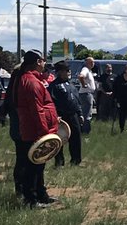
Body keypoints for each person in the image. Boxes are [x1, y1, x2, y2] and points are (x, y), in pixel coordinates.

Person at [11, 51, 59, 208]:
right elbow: (36, 110)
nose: (45, 64)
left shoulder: (32, 79)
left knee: (40, 165)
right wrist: (44, 133)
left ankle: (41, 194)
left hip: (37, 131)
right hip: (34, 132)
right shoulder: (30, 81)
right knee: (32, 166)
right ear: (38, 62)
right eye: (43, 61)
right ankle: (31, 200)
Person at [49, 62, 83, 167]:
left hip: (73, 115)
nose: (68, 73)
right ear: (60, 72)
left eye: (69, 70)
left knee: (76, 138)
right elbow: (50, 102)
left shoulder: (71, 85)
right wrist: (56, 115)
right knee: (60, 139)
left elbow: (76, 100)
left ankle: (76, 161)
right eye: (66, 70)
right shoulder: (54, 86)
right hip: (61, 117)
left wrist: (80, 113)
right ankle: (59, 162)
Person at [77, 57, 97, 133]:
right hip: (86, 94)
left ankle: (84, 130)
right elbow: (81, 76)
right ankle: (85, 132)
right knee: (87, 114)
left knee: (87, 113)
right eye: (90, 62)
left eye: (93, 62)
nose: (92, 64)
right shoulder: (85, 69)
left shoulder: (89, 71)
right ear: (86, 63)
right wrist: (84, 84)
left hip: (88, 94)